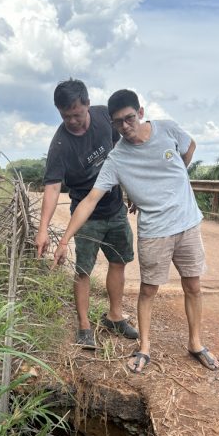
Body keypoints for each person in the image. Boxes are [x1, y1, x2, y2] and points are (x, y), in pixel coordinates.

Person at [53, 88, 219, 373]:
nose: (126, 127)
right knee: (149, 290)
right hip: (155, 230)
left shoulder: (167, 130)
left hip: (188, 222)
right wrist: (65, 239)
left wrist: (178, 173)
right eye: (118, 123)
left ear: (141, 113)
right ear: (112, 124)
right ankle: (144, 348)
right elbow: (90, 199)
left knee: (193, 286)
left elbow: (189, 146)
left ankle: (196, 343)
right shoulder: (117, 159)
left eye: (130, 118)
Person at [36, 79, 138, 349]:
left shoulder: (106, 117)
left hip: (115, 208)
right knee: (83, 270)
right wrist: (43, 229)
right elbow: (53, 186)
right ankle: (84, 326)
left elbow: (123, 151)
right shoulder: (60, 145)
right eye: (66, 116)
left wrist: (132, 189)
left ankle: (115, 316)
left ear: (88, 106)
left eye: (77, 114)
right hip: (85, 215)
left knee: (119, 262)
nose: (73, 121)